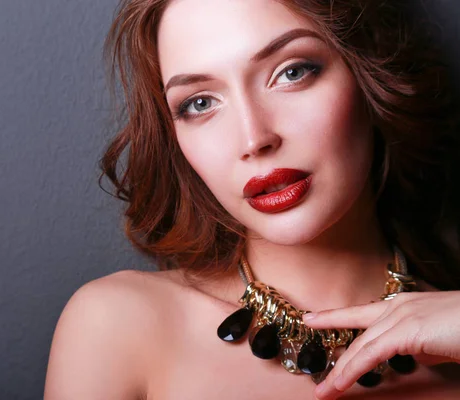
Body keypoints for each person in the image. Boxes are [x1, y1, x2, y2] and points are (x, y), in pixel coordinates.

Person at [44, 0, 460, 399]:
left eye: (292, 72)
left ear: (367, 71)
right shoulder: (117, 329)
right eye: (200, 103)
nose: (254, 138)